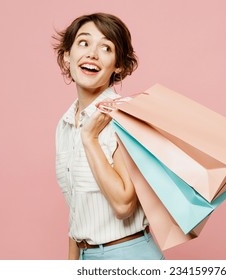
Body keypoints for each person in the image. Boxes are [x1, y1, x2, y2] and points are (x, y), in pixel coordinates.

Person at [53, 13, 164, 260]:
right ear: (67, 56)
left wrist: (90, 139)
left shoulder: (124, 117)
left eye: (106, 48)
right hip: (85, 256)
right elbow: (77, 210)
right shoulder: (65, 124)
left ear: (119, 65)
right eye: (84, 43)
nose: (92, 53)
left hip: (128, 256)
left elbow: (124, 205)